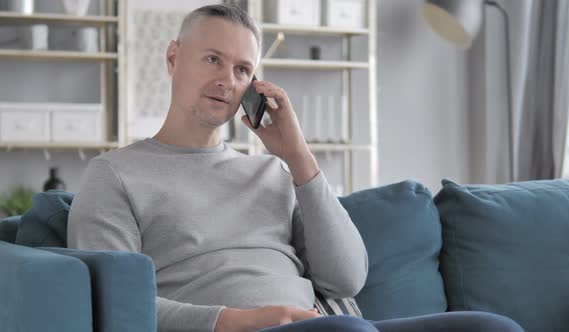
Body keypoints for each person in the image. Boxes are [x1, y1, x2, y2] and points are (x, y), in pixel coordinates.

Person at [67, 4, 523, 332]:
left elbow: (345, 277)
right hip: (244, 331)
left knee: (491, 327)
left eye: (243, 69)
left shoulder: (272, 174)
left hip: (324, 329)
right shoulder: (114, 175)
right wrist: (239, 322)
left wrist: (298, 156)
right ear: (173, 58)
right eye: (213, 60)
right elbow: (112, 304)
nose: (228, 80)